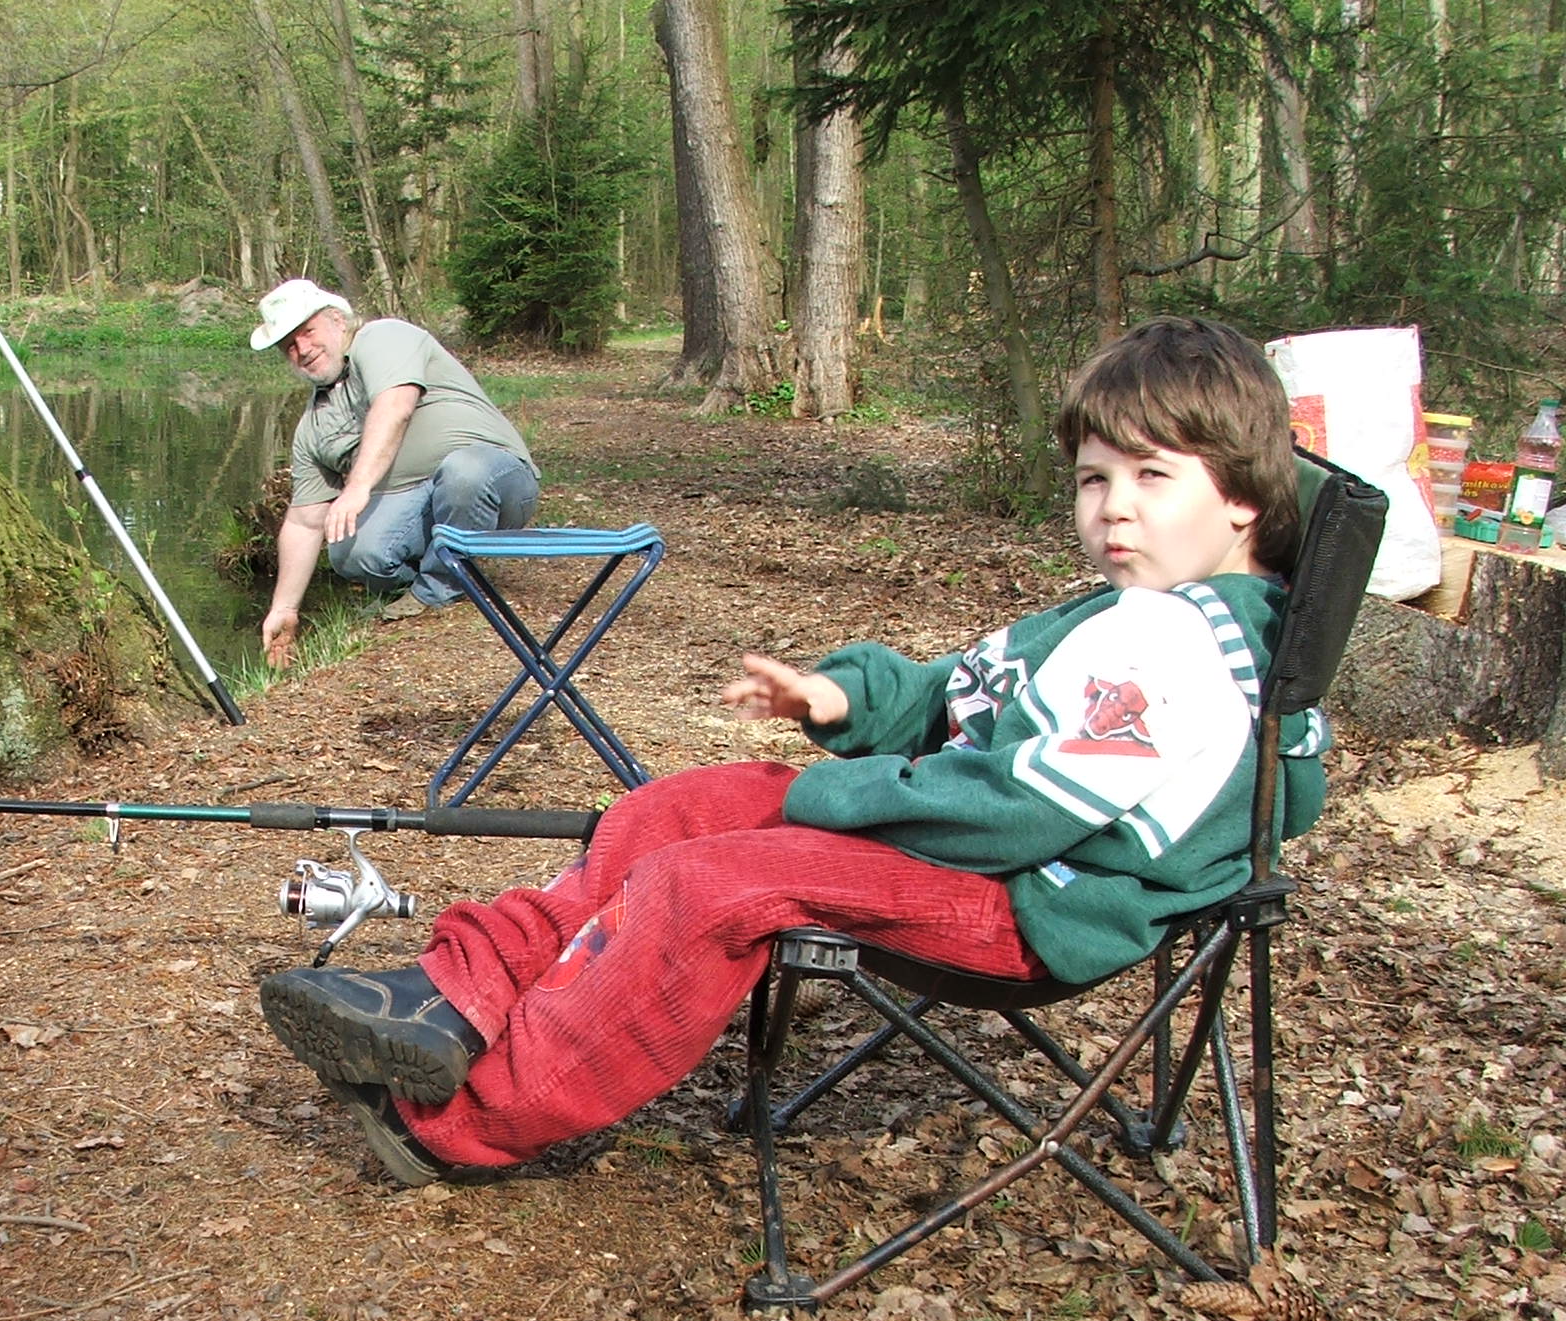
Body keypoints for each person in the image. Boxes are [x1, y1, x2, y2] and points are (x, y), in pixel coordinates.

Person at [258, 315, 1330, 1186]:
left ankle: (458, 1122)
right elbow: (959, 696)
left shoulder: (1178, 647)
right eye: (1095, 481)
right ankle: (450, 1000)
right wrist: (838, 697)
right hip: (967, 845)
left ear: (1241, 497)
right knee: (674, 808)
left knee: (705, 886)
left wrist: (837, 797)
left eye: (1152, 478)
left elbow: (1013, 814)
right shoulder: (1129, 606)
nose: (1113, 511)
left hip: (1027, 902)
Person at [250, 279, 540, 667]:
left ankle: (438, 591)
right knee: (350, 552)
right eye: (289, 345)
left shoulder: (382, 337)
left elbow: (395, 407)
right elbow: (304, 522)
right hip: (417, 502)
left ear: (337, 320)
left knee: (464, 473)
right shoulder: (312, 427)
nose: (302, 350)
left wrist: (357, 487)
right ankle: (434, 578)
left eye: (307, 332)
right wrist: (284, 608)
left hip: (498, 480)